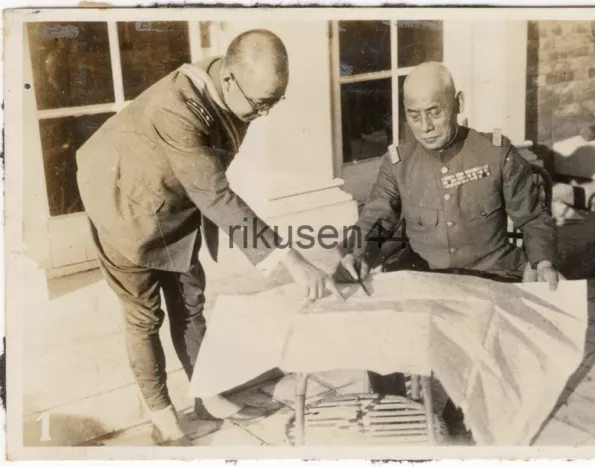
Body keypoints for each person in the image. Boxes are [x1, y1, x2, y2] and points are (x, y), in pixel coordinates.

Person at [76, 29, 342, 446]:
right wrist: (291, 260)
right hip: (122, 204)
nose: (266, 113)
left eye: (275, 101)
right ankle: (162, 418)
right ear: (231, 78)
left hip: (173, 198)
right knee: (145, 318)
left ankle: (206, 395)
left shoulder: (235, 90)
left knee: (190, 302)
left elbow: (208, 179)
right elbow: (215, 193)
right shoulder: (175, 109)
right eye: (261, 104)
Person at [337, 61, 561, 439]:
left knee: (475, 385)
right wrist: (356, 254)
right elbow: (375, 218)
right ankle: (399, 416)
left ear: (457, 102)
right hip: (429, 282)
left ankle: (463, 411)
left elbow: (534, 218)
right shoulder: (398, 163)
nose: (425, 127)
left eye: (435, 112)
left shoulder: (495, 153)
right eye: (414, 116)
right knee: (379, 324)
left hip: (490, 277)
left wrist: (543, 260)